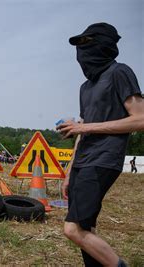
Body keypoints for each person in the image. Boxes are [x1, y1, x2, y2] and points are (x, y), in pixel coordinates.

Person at [57, 23, 144, 267]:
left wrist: (83, 127)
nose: (81, 52)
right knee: (86, 229)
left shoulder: (120, 72)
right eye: (79, 46)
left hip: (104, 159)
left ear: (104, 45)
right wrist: (68, 171)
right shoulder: (85, 87)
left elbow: (140, 119)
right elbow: (82, 130)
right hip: (82, 162)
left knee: (73, 229)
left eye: (87, 43)